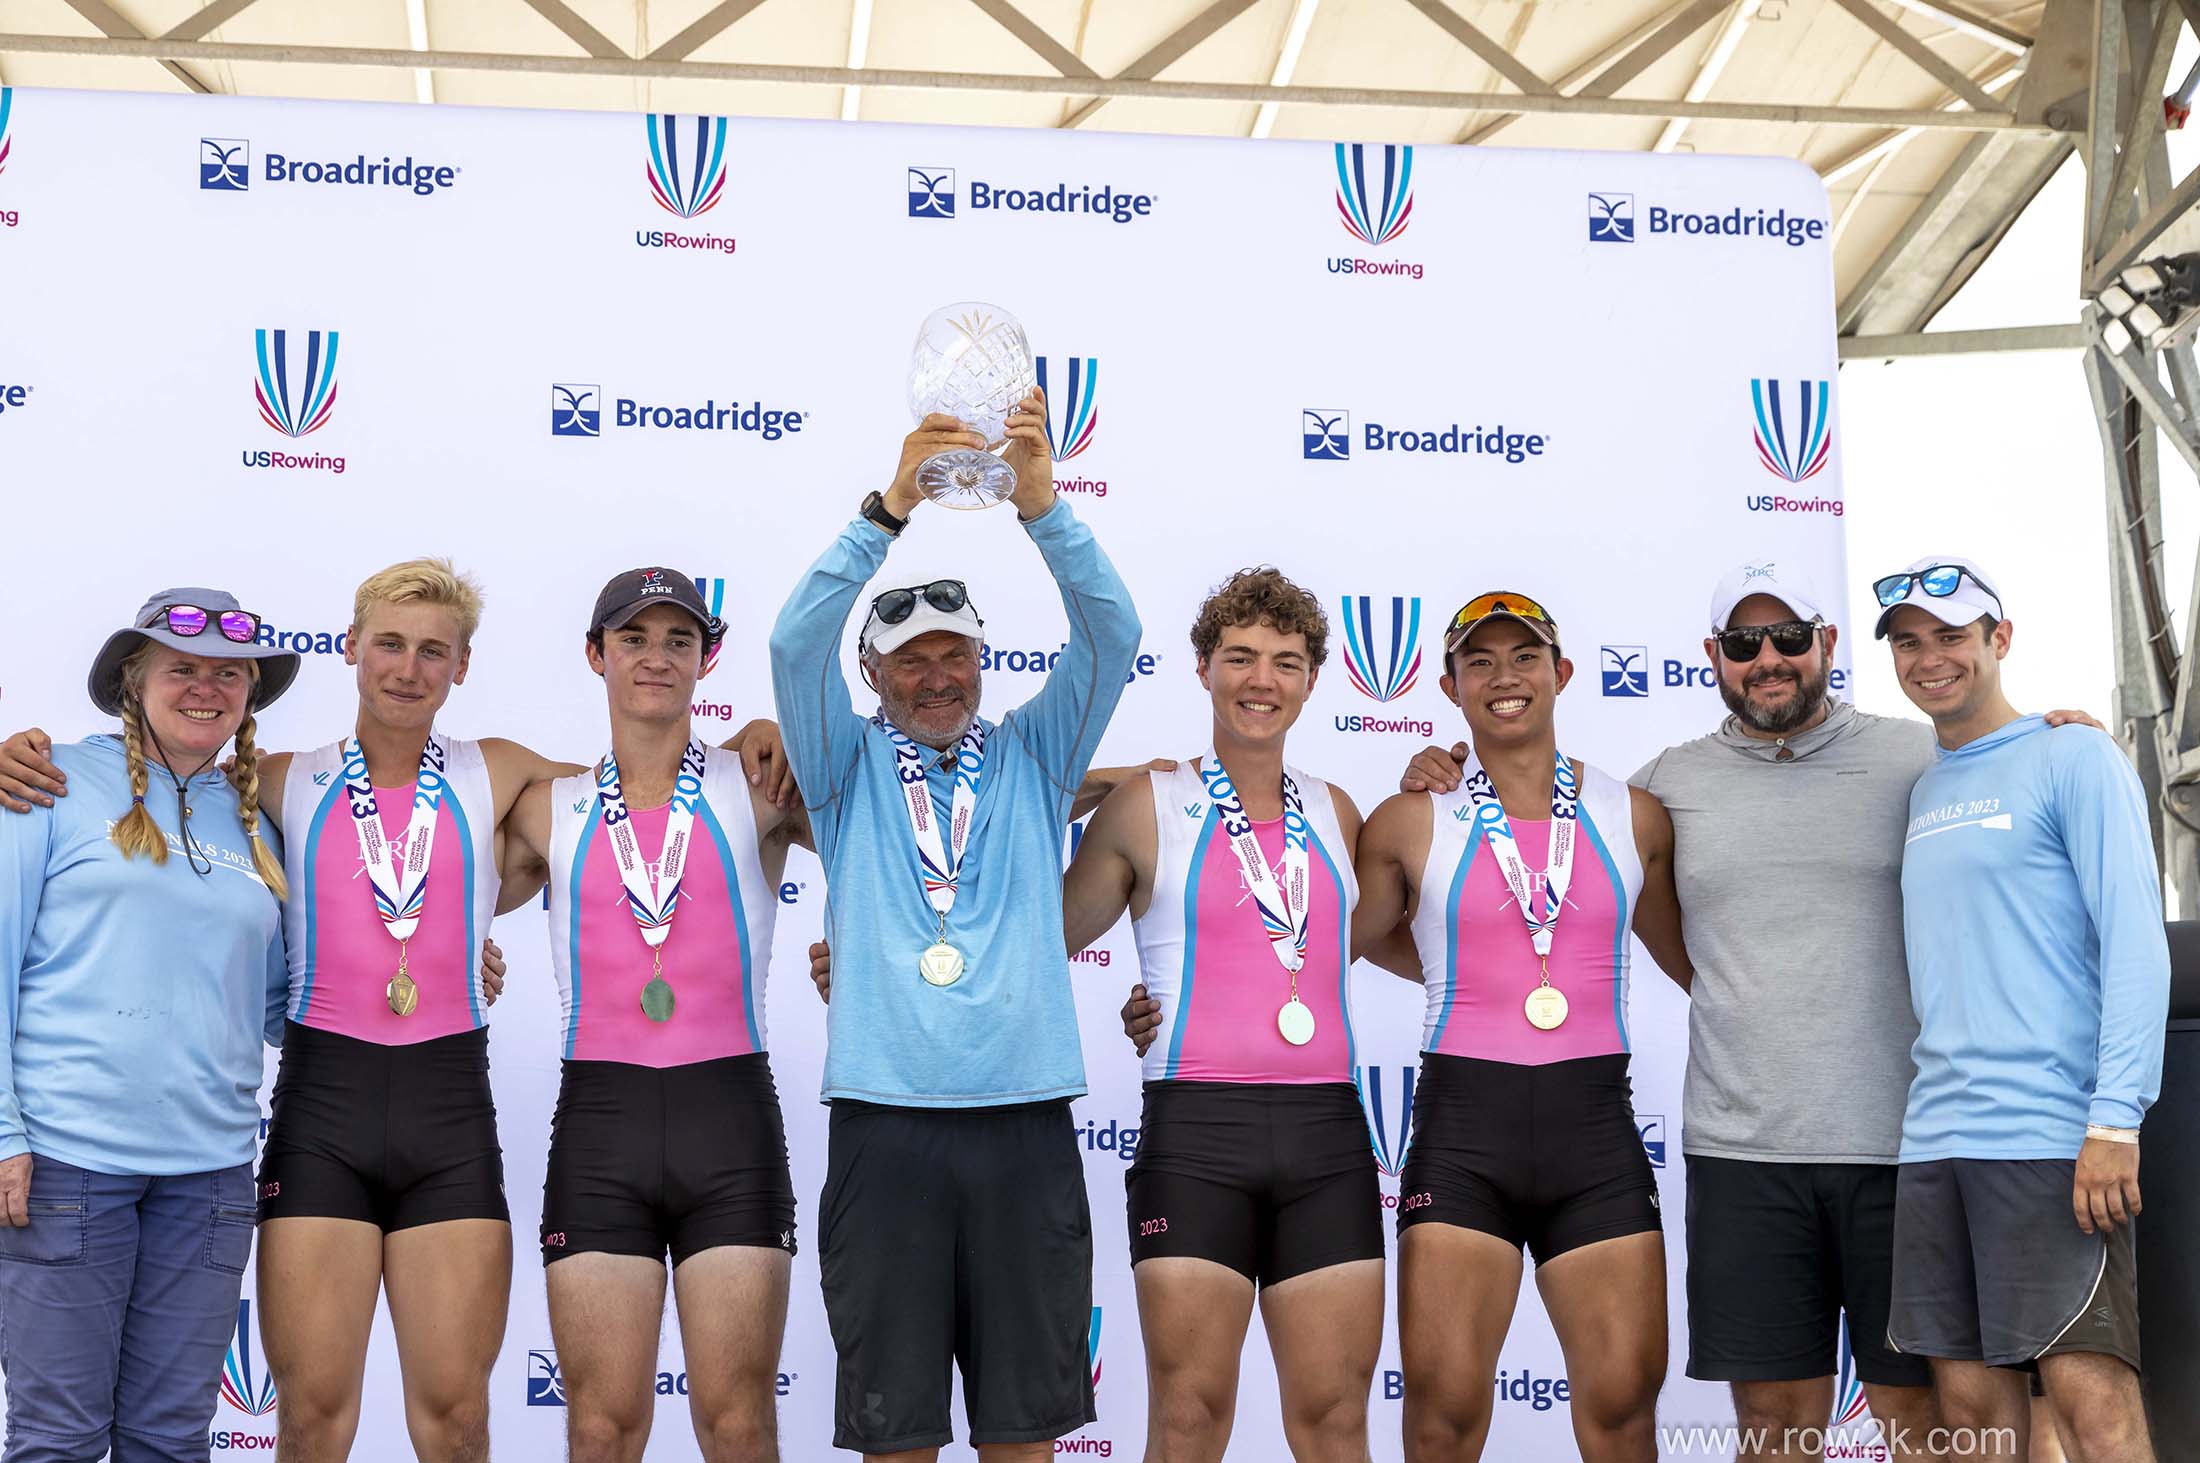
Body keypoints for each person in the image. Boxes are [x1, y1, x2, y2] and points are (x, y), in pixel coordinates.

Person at [1388, 562, 2101, 1461]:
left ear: (1827, 643)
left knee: (1930, 1425)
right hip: (1742, 1155)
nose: (1767, 658)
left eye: (1790, 638)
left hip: (1906, 1145)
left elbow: (2016, 795)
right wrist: (1446, 768)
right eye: (1742, 643)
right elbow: (1567, 864)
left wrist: (2052, 737)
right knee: (1771, 1424)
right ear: (1714, 658)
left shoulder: (1922, 757)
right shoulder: (1659, 790)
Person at [768, 392, 1140, 1462]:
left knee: (1023, 1431)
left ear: (982, 660)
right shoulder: (840, 770)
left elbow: (1113, 628)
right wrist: (888, 510)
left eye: (955, 655)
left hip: (1024, 1121)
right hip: (887, 1125)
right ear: (874, 676)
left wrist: (1043, 509)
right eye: (910, 662)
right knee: (900, 1434)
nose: (937, 678)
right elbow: (798, 640)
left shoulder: (1034, 754)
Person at [1063, 567, 1429, 1463]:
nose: (1260, 679)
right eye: (1239, 657)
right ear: (1202, 668)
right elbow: (1038, 939)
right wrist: (1087, 777)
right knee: (1189, 1418)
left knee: (1337, 1422)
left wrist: (1439, 776)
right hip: (1197, 1136)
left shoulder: (1339, 810)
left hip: (1327, 1142)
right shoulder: (1147, 804)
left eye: (1285, 660)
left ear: (1312, 679)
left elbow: (1406, 922)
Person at [1351, 591, 1688, 1463]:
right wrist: (1159, 996)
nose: (1505, 677)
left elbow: (1703, 967)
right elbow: (1312, 949)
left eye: (1525, 656)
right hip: (1466, 1133)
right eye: (1481, 662)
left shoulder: (1635, 816)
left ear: (1562, 672)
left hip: (1595, 1137)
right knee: (1444, 1415)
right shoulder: (1408, 819)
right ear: (1450, 685)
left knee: (1621, 1409)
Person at [498, 570, 811, 1463]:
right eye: (634, 638)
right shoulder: (544, 807)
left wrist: (781, 734)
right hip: (602, 1130)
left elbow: (901, 847)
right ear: (596, 654)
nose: (656, 658)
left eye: (680, 640)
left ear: (707, 659)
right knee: (602, 1426)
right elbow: (431, 898)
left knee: (738, 1421)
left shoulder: (763, 785)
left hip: (731, 1124)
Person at [1877, 556, 2166, 1463]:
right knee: (1970, 1417)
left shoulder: (2072, 753)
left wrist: (2114, 1119)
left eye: (1954, 636)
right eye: (1911, 642)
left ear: (2000, 641)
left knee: (2094, 1404)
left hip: (2047, 1136)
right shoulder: (1923, 785)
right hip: (1933, 1142)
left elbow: (2135, 942)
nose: (1931, 659)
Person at [0, 588, 296, 1463]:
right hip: (65, 1164)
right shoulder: (47, 781)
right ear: (135, 682)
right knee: (58, 1439)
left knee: (170, 1441)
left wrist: (436, 967)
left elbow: (284, 1001)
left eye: (228, 673)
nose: (206, 688)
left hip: (209, 1179)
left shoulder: (260, 819)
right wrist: (3, 1130)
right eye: (182, 668)